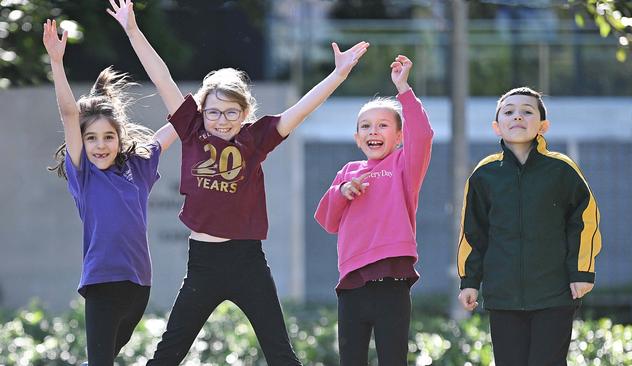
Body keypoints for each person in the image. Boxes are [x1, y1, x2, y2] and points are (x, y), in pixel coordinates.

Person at [107, 0, 369, 364]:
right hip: (203, 262)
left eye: (231, 113)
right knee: (167, 354)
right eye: (214, 112)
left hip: (248, 262)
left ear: (245, 113)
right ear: (203, 112)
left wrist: (338, 75)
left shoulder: (256, 138)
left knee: (281, 354)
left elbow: (302, 110)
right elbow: (162, 77)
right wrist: (133, 30)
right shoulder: (192, 128)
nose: (222, 120)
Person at [43, 19, 177, 366]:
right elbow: (70, 113)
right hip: (102, 283)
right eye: (91, 138)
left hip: (139, 287)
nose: (100, 145)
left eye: (108, 137)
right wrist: (57, 63)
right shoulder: (84, 175)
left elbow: (178, 122)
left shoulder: (140, 167)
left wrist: (206, 100)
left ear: (120, 139)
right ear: (81, 143)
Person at [456, 87, 602, 366]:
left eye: (527, 111)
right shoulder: (484, 174)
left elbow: (585, 220)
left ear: (543, 125)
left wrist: (582, 271)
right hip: (503, 296)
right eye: (509, 111)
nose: (518, 116)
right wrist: (470, 281)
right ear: (497, 127)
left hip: (555, 292)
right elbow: (472, 232)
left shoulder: (562, 169)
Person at [314, 55, 433, 365]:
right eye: (365, 126)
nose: (373, 131)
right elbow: (327, 220)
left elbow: (423, 135)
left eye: (383, 125)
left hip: (393, 284)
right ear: (357, 138)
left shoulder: (403, 166)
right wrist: (341, 192)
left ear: (399, 137)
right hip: (351, 284)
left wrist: (403, 88)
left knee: (393, 359)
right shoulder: (348, 171)